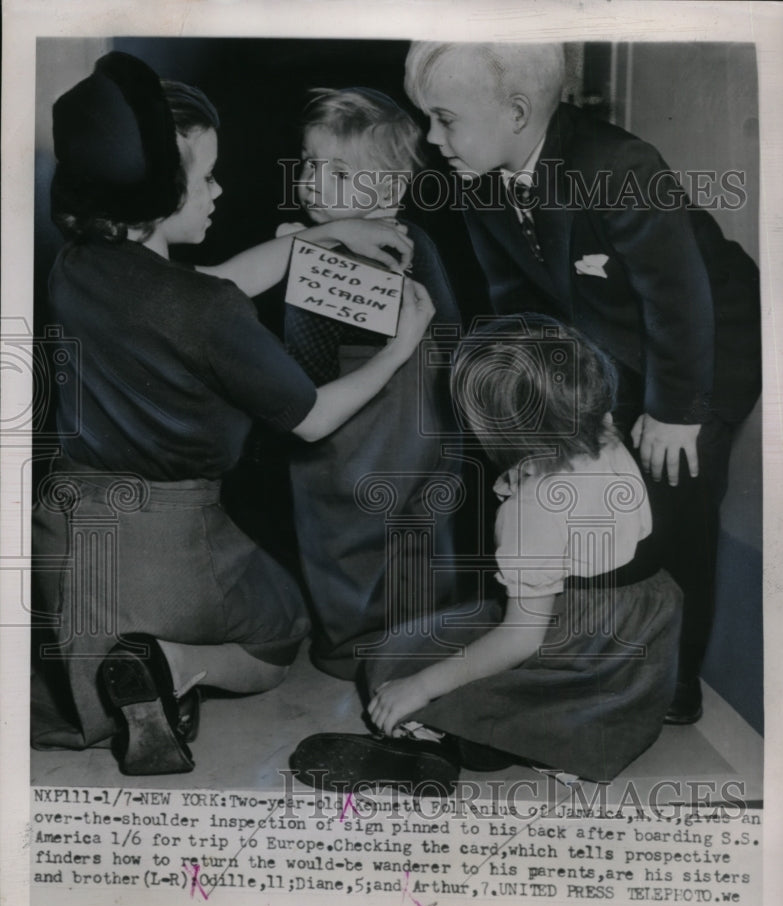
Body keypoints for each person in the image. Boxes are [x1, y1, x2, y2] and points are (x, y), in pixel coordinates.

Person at [32, 51, 435, 776]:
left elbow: (198, 287)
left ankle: (125, 665)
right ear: (162, 194)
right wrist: (400, 347)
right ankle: (171, 662)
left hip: (66, 534)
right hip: (169, 545)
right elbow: (310, 419)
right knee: (278, 637)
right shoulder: (209, 312)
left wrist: (316, 238)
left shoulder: (78, 265)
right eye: (206, 178)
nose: (220, 190)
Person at [400, 41, 761, 725]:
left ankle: (673, 679)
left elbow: (680, 301)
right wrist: (537, 435)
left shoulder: (618, 165)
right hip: (606, 341)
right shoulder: (478, 176)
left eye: (444, 119)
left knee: (672, 499)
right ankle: (576, 648)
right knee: (580, 486)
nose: (430, 138)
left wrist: (676, 413)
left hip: (702, 348)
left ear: (515, 111)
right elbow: (516, 304)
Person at [291, 315, 683, 790]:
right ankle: (504, 733)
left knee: (394, 660)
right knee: (442, 645)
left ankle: (454, 738)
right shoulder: (604, 432)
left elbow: (521, 639)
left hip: (575, 640)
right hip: (637, 636)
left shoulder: (529, 510)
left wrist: (422, 685)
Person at [278, 86, 463, 679]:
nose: (312, 180)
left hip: (355, 424)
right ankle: (418, 639)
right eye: (309, 163)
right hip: (429, 419)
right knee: (419, 533)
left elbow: (303, 365)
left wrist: (295, 256)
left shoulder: (326, 255)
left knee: (341, 533)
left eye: (337, 171)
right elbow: (450, 326)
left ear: (388, 189)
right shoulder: (417, 239)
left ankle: (353, 645)